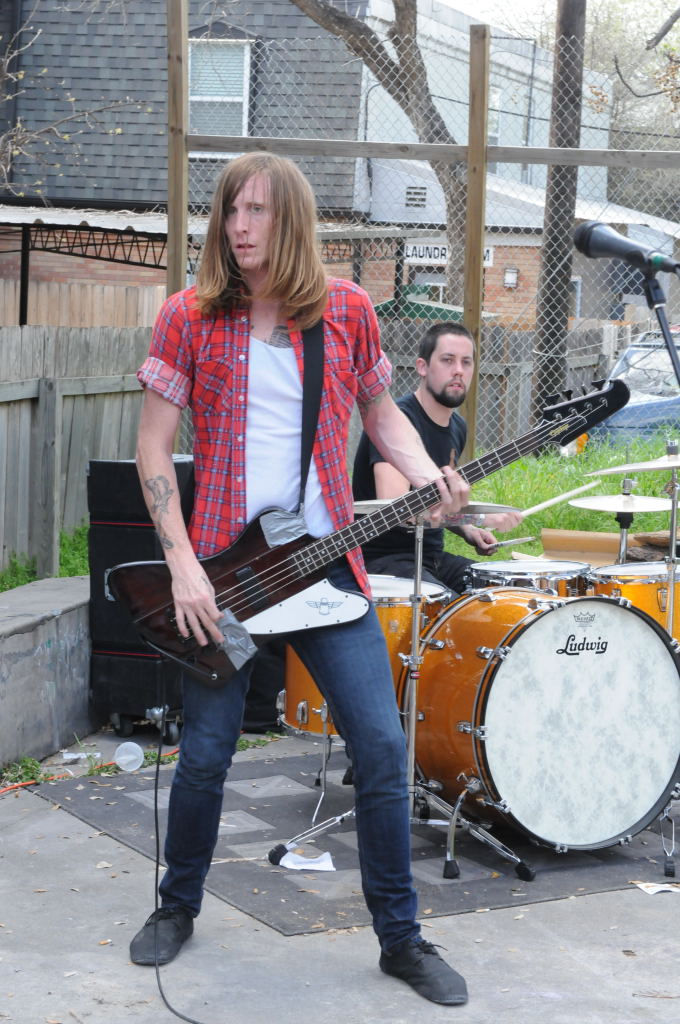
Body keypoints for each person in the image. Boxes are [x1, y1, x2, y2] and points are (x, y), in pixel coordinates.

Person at [128, 152, 471, 1006]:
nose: (239, 226)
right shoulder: (190, 315)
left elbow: (381, 413)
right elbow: (151, 446)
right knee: (206, 756)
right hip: (226, 574)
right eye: (230, 210)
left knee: (382, 750)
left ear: (293, 221)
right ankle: (177, 903)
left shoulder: (346, 311)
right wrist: (181, 566)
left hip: (325, 567)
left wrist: (425, 473)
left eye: (258, 211)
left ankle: (401, 938)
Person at [352, 322, 523, 594]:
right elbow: (398, 511)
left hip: (432, 558)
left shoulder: (458, 427)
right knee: (456, 611)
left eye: (466, 362)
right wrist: (480, 518)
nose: (458, 370)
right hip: (384, 561)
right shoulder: (397, 423)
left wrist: (468, 529)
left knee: (506, 593)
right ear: (422, 367)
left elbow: (437, 502)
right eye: (448, 360)